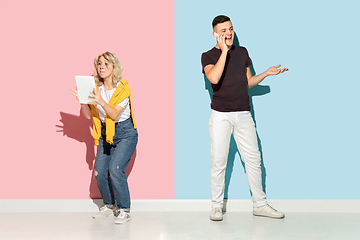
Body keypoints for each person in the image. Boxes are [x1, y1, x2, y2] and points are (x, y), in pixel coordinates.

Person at [201, 15, 288, 221]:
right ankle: (216, 206)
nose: (229, 33)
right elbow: (213, 78)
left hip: (243, 113)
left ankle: (260, 204)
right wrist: (223, 52)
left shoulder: (243, 52)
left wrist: (266, 73)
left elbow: (248, 82)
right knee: (219, 161)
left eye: (230, 29)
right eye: (223, 31)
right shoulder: (208, 55)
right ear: (215, 34)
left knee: (253, 160)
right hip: (220, 115)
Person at [72, 51, 138, 224]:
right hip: (105, 134)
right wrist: (83, 101)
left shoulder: (123, 87)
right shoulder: (96, 89)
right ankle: (109, 206)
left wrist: (100, 101)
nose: (101, 67)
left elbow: (114, 113)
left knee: (115, 169)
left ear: (114, 67)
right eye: (99, 64)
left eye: (106, 64)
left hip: (125, 133)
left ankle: (124, 209)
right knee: (100, 172)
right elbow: (88, 116)